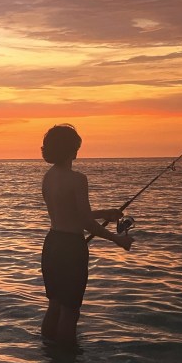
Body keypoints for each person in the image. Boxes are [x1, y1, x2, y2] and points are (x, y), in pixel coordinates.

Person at [40, 124, 132, 346]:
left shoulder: (48, 177)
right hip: (71, 249)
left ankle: (46, 353)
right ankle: (66, 361)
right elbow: (85, 223)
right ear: (71, 148)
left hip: (52, 245)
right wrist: (118, 240)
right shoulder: (78, 179)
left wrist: (104, 213)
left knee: (55, 305)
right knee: (70, 311)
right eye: (76, 146)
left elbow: (69, 214)